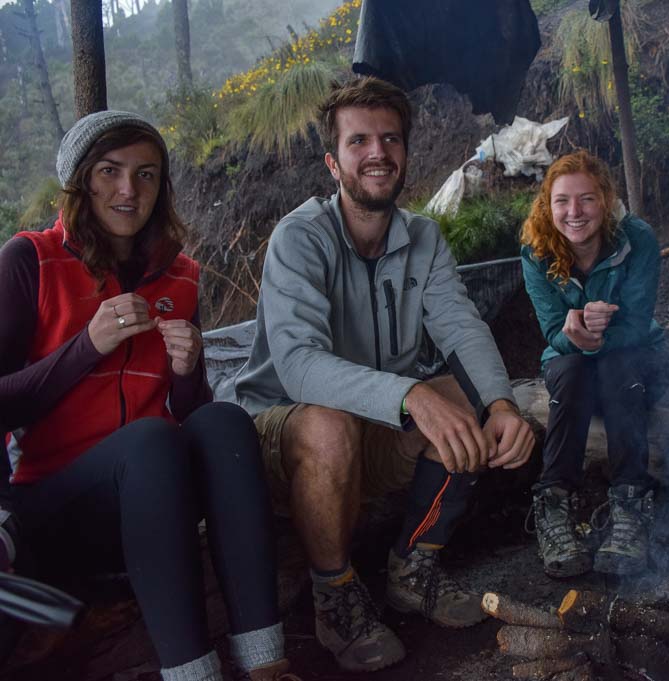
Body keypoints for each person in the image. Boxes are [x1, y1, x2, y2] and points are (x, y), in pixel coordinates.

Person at [233, 77, 535, 673]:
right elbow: (296, 367)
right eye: (359, 140)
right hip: (281, 437)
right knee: (328, 425)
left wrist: (502, 405)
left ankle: (412, 566)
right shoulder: (300, 238)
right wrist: (411, 393)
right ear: (333, 160)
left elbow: (461, 327)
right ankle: (335, 593)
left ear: (405, 153)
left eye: (390, 139)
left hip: (375, 425)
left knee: (469, 399)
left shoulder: (421, 236)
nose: (378, 152)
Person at [0, 111, 297, 681]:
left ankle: (266, 662)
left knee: (225, 422)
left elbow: (191, 412)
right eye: (109, 171)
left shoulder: (181, 275)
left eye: (147, 175)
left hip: (154, 499)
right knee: (151, 443)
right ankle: (192, 672)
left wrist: (187, 374)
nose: (127, 190)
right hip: (56, 508)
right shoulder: (29, 260)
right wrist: (85, 347)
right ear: (81, 180)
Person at [520, 150, 663, 578]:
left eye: (586, 199)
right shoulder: (535, 250)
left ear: (605, 199)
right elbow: (551, 331)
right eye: (562, 200)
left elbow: (637, 324)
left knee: (617, 368)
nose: (574, 212)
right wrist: (574, 337)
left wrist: (594, 339)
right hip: (573, 367)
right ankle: (555, 508)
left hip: (637, 363)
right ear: (549, 204)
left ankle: (630, 507)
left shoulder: (637, 239)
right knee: (571, 370)